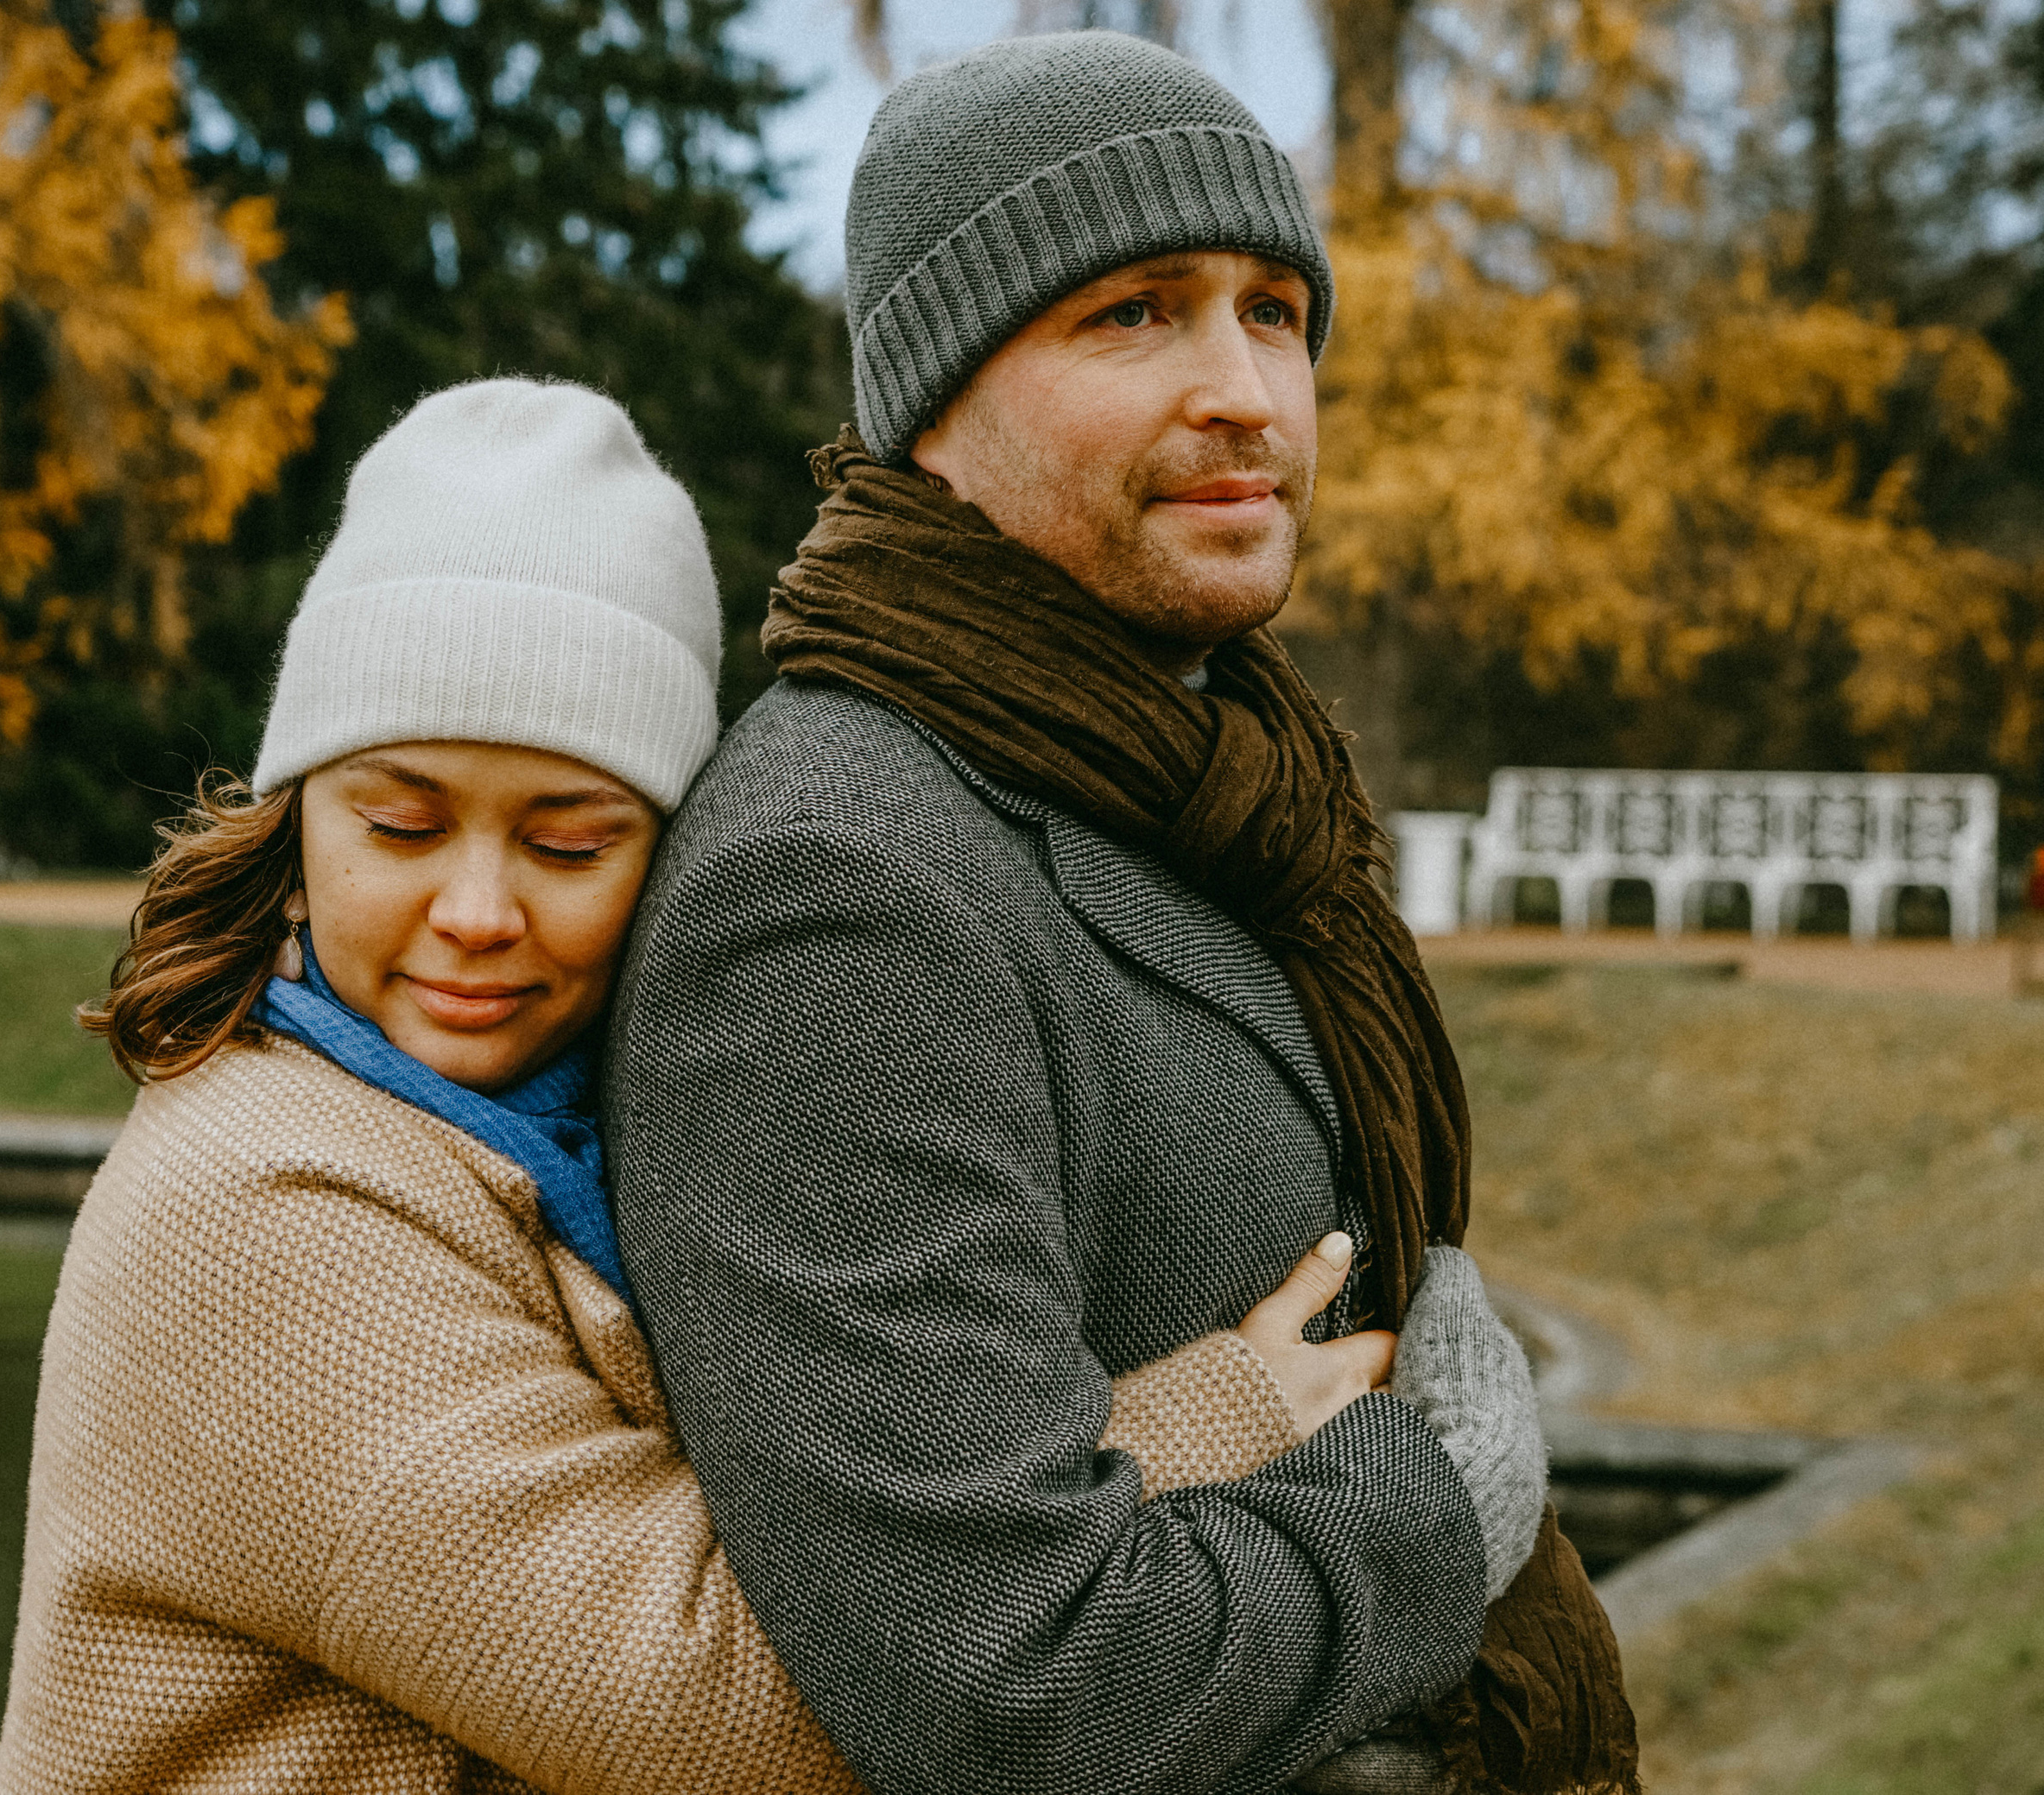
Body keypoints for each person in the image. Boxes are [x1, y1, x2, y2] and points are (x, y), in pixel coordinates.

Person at [0, 378, 1402, 1793]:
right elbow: (751, 1715)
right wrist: (1222, 1418)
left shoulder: (568, 1131)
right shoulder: (261, 1216)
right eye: (403, 825)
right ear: (296, 825)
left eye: (569, 844)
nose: (476, 908)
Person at [604, 31, 1636, 1795]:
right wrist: (1431, 1509)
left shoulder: (1220, 793)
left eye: (1272, 311)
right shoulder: (834, 886)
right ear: (935, 401)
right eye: (1134, 313)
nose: (1243, 387)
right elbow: (1005, 1680)